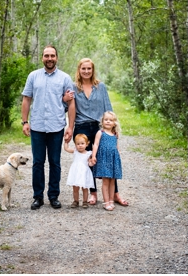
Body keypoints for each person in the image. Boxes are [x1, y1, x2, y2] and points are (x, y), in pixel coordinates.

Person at [65, 58, 128, 207]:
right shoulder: (74, 88)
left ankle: (115, 194)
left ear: (93, 70)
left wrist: (113, 128)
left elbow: (108, 108)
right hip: (81, 127)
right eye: (83, 69)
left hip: (100, 127)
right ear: (79, 70)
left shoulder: (101, 87)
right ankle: (93, 193)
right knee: (87, 161)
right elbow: (69, 109)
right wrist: (70, 128)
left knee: (108, 158)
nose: (86, 71)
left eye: (89, 69)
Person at [21, 45, 76, 210]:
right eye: (46, 56)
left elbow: (71, 103)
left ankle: (53, 196)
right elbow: (26, 99)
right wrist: (25, 122)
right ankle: (38, 197)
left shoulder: (65, 78)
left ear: (56, 58)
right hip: (37, 126)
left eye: (52, 55)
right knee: (38, 163)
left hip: (56, 126)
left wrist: (70, 127)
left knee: (55, 162)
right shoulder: (33, 76)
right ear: (42, 58)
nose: (49, 58)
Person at [91, 111, 123, 211]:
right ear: (102, 121)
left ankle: (111, 200)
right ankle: (106, 202)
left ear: (114, 123)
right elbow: (95, 145)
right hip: (104, 159)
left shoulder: (115, 134)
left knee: (112, 181)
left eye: (111, 120)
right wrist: (93, 156)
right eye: (106, 120)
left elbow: (116, 147)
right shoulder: (100, 133)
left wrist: (118, 156)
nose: (108, 122)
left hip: (113, 159)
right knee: (105, 181)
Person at [64, 134, 95, 208]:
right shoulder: (75, 151)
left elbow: (90, 163)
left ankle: (85, 201)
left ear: (87, 144)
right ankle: (76, 201)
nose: (80, 145)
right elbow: (66, 149)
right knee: (75, 188)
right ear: (75, 145)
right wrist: (66, 142)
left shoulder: (88, 153)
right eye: (78, 144)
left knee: (85, 188)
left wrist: (91, 163)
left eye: (82, 143)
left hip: (84, 172)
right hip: (76, 172)